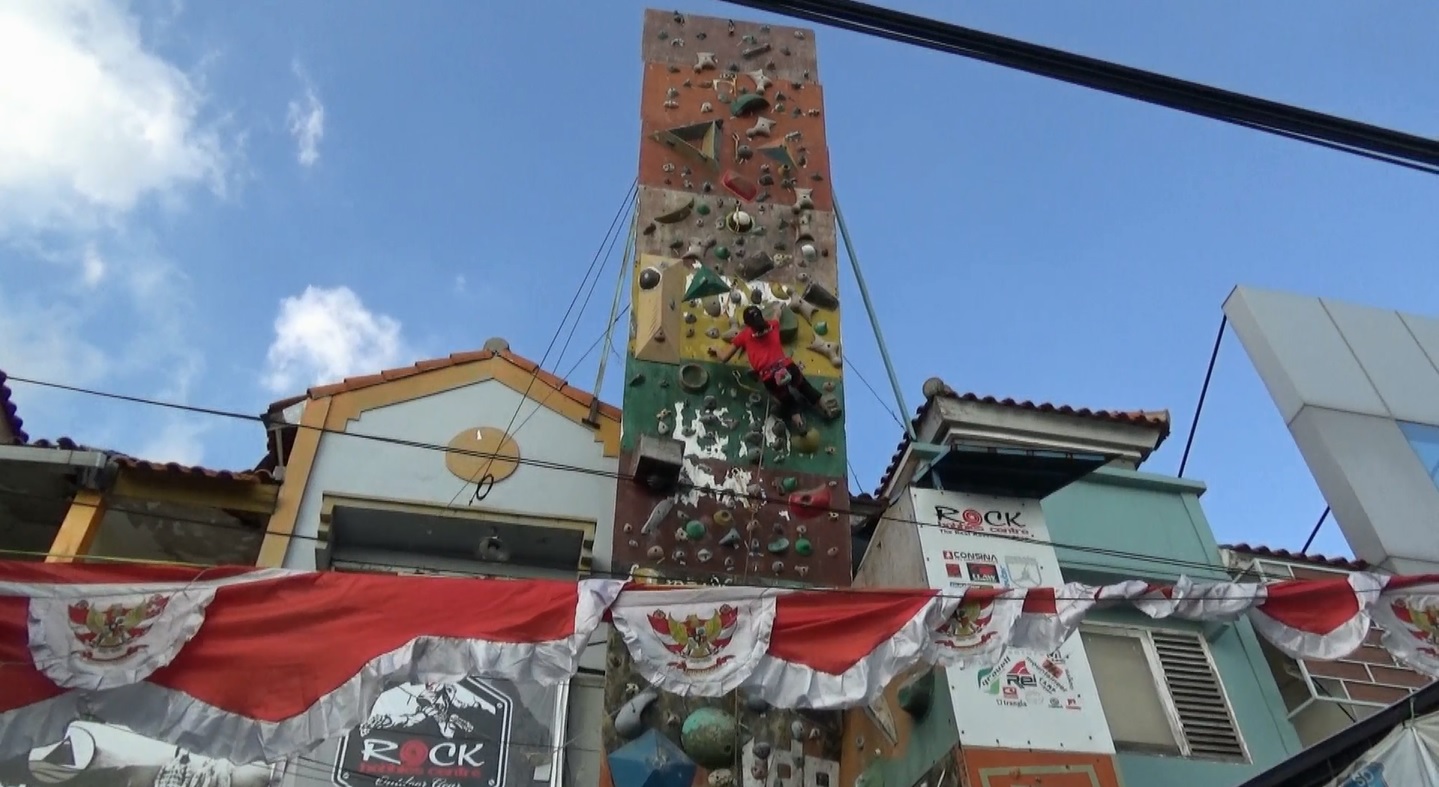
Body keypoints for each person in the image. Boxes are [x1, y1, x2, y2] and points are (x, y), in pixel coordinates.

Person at [713, 305, 824, 431]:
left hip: (769, 376)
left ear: (748, 324)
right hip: (787, 366)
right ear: (762, 316)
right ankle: (826, 408)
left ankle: (800, 424)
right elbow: (777, 315)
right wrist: (778, 308)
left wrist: (716, 350)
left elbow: (724, 358)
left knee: (788, 402)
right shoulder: (773, 325)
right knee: (805, 387)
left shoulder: (744, 335)